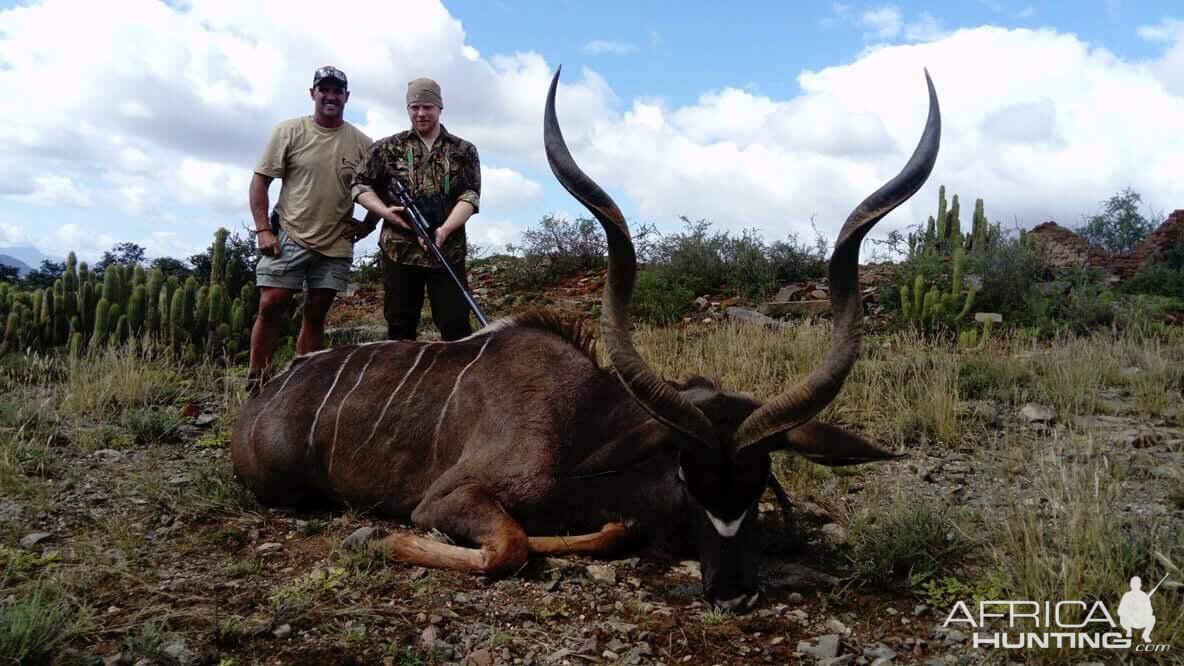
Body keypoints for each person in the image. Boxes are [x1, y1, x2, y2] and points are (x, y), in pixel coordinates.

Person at [247, 65, 377, 393]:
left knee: (317, 310)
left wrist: (367, 225)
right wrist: (264, 229)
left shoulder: (362, 143)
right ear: (313, 93)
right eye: (324, 90)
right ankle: (256, 379)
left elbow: (380, 190)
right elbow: (260, 180)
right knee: (272, 303)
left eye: (337, 91)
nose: (330, 96)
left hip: (335, 240)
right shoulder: (289, 131)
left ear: (347, 97)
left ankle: (302, 386)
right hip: (290, 232)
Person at [352, 77, 481, 341]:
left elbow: (470, 196)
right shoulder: (387, 148)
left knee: (456, 325)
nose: (421, 114)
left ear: (439, 108)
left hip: (447, 250)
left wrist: (444, 229)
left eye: (427, 107)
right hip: (399, 252)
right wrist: (385, 212)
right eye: (415, 107)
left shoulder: (463, 150)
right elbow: (360, 185)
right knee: (400, 327)